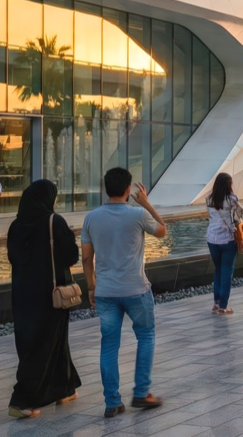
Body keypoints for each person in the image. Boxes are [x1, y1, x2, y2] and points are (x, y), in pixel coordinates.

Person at [81, 167, 167, 418]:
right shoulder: (137, 214)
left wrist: (91, 287)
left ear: (105, 188)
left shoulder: (91, 218)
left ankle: (112, 402)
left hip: (105, 291)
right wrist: (147, 204)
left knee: (109, 346)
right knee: (146, 337)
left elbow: (86, 258)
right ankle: (141, 393)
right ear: (128, 190)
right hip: (136, 289)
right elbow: (162, 230)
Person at [6, 179, 80, 419]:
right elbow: (71, 255)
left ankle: (64, 388)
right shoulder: (53, 221)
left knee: (40, 342)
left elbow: (13, 257)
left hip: (23, 294)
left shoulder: (16, 225)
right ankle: (21, 400)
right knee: (44, 344)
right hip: (49, 293)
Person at [205, 172, 243, 314]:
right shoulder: (232, 199)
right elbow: (242, 212)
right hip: (227, 239)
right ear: (229, 185)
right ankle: (223, 306)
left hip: (211, 238)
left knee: (218, 270)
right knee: (227, 271)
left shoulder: (208, 199)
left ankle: (216, 302)